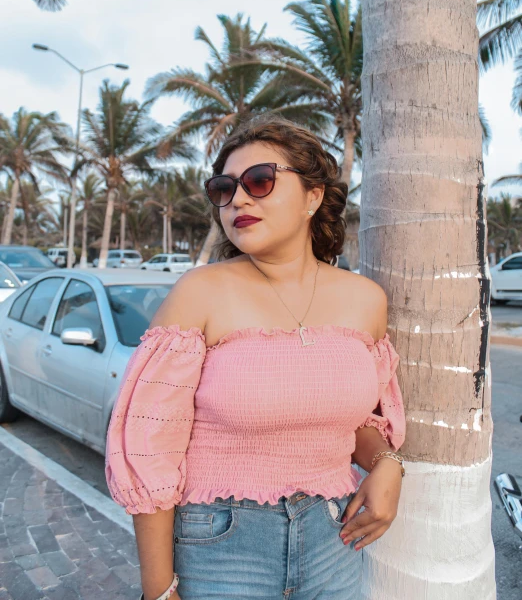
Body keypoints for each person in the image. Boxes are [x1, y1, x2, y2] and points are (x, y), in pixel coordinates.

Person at [105, 114, 406, 600]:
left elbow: (360, 421)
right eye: (223, 189)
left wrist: (388, 463)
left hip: (336, 539)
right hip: (221, 545)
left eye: (260, 181)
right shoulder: (199, 293)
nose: (238, 199)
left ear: (313, 196)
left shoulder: (366, 300)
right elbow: (150, 451)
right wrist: (158, 591)